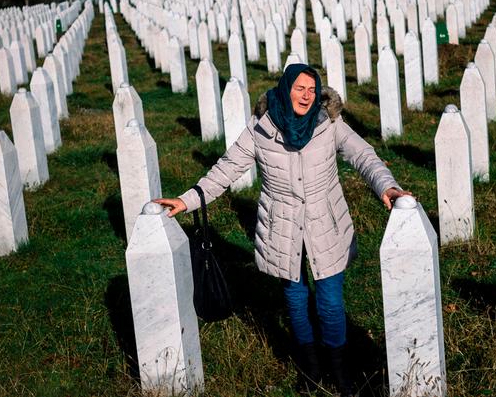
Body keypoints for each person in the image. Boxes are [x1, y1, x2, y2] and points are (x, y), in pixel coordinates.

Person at [154, 63, 411, 394]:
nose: (306, 95)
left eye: (311, 89)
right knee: (295, 299)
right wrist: (187, 200)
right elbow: (227, 169)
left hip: (325, 225)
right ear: (285, 89)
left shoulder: (329, 122)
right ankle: (310, 368)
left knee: (330, 303)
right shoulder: (261, 128)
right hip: (282, 230)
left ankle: (339, 369)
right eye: (299, 88)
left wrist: (386, 187)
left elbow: (365, 157)